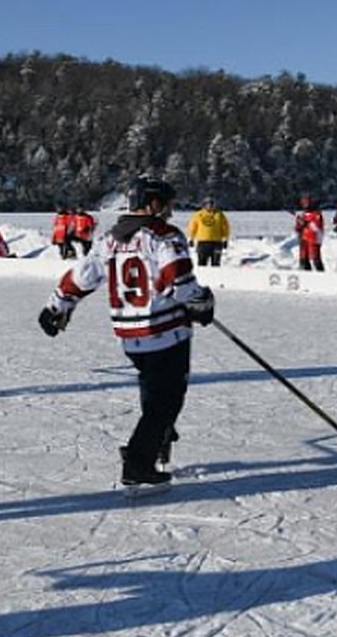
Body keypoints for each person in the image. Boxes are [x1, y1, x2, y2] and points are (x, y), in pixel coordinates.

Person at [37, 177, 215, 490]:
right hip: (165, 333)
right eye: (169, 205)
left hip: (130, 337)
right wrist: (203, 303)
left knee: (155, 392)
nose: (171, 213)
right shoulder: (162, 236)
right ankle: (139, 462)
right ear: (154, 204)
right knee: (167, 401)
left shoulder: (109, 239)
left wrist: (56, 308)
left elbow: (81, 277)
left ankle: (155, 440)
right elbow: (180, 282)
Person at [187, 197, 230, 267]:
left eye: (211, 204)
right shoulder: (198, 215)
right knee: (201, 264)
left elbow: (225, 227)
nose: (210, 206)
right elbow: (192, 227)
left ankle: (216, 277)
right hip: (202, 242)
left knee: (216, 264)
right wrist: (191, 238)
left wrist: (225, 239)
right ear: (204, 205)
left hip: (216, 242)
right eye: (207, 204)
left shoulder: (220, 214)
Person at [294, 195, 325, 271]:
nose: (304, 205)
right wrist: (299, 224)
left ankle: (321, 275)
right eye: (303, 203)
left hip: (313, 239)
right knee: (303, 259)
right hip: (304, 239)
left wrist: (306, 223)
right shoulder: (303, 215)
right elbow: (297, 228)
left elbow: (317, 228)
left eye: (306, 203)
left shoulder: (317, 214)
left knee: (315, 258)